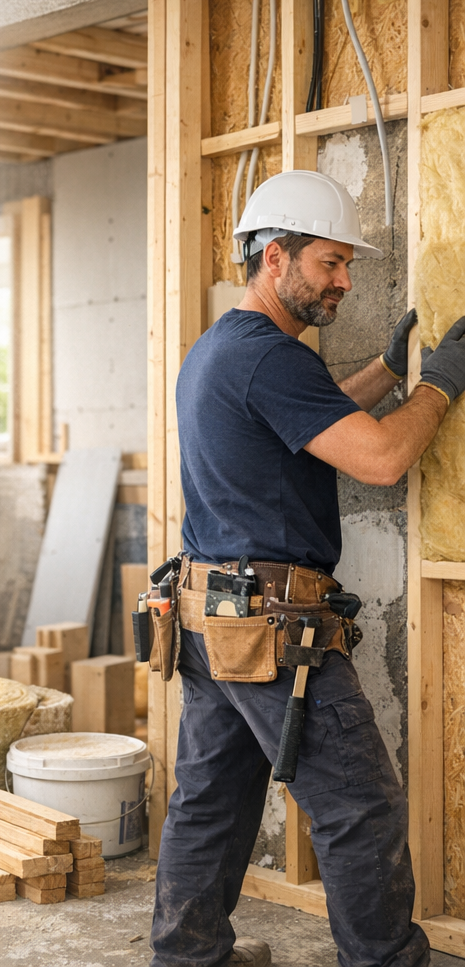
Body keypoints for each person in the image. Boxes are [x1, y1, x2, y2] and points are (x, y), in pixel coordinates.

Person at [150, 170, 465, 967]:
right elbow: (383, 457)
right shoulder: (269, 359)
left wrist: (388, 375)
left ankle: (186, 957)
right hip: (273, 631)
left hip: (211, 619)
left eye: (347, 266)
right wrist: (440, 385)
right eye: (329, 262)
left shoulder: (226, 349)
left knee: (212, 804)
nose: (344, 282)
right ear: (274, 255)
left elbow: (312, 415)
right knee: (358, 806)